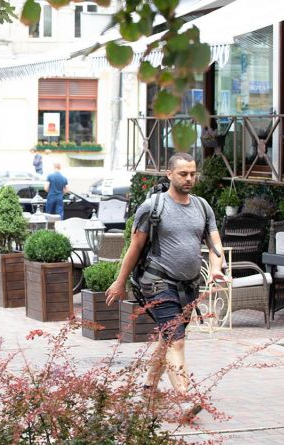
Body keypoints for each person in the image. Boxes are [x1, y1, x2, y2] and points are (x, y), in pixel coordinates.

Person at [104, 152, 226, 421]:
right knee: (176, 339)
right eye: (183, 174)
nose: (189, 178)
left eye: (193, 173)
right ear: (169, 174)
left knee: (167, 337)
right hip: (157, 282)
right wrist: (120, 281)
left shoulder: (202, 207)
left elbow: (214, 242)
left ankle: (149, 386)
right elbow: (135, 247)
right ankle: (184, 398)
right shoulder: (152, 207)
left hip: (188, 286)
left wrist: (216, 268)